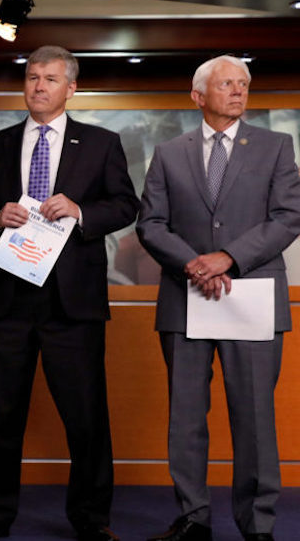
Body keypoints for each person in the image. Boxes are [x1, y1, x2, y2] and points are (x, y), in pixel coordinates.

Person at [0, 45, 136, 541]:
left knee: (86, 417)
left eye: (50, 79)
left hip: (73, 303)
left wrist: (82, 211)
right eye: (32, 78)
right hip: (8, 299)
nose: (38, 86)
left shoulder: (102, 143)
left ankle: (90, 519)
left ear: (71, 88)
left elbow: (126, 204)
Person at [137, 56, 300, 541]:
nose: (238, 91)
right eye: (226, 83)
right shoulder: (168, 152)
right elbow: (150, 223)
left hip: (250, 294)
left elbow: (289, 216)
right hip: (186, 294)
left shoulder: (276, 146)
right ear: (198, 95)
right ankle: (193, 517)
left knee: (254, 415)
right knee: (186, 415)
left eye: (244, 84)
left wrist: (227, 256)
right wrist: (195, 262)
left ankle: (258, 523)